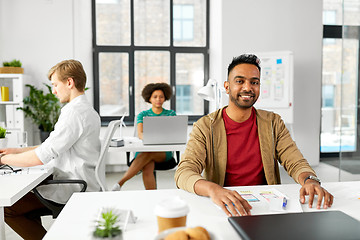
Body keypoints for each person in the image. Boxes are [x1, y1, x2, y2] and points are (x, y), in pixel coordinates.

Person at [174, 54, 334, 217]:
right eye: (240, 81)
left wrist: (310, 180)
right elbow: (184, 172)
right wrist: (213, 189)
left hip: (266, 206)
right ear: (227, 87)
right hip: (224, 205)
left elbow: (295, 161)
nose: (247, 87)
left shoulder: (273, 122)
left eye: (254, 82)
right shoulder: (206, 126)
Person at [0, 59, 101, 240]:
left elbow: (41, 157)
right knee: (25, 202)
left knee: (9, 209)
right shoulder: (86, 110)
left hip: (73, 187)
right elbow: (51, 145)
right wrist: (15, 152)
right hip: (81, 180)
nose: (53, 90)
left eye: (55, 85)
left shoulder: (74, 113)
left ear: (69, 82)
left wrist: (2, 160)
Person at [112, 82, 176, 191]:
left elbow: (174, 134)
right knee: (147, 166)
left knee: (147, 154)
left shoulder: (171, 114)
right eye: (155, 97)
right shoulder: (143, 115)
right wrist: (152, 139)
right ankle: (152, 196)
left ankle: (120, 183)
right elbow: (140, 133)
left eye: (161, 96)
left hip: (163, 152)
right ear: (149, 99)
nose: (158, 99)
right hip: (146, 149)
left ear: (165, 98)